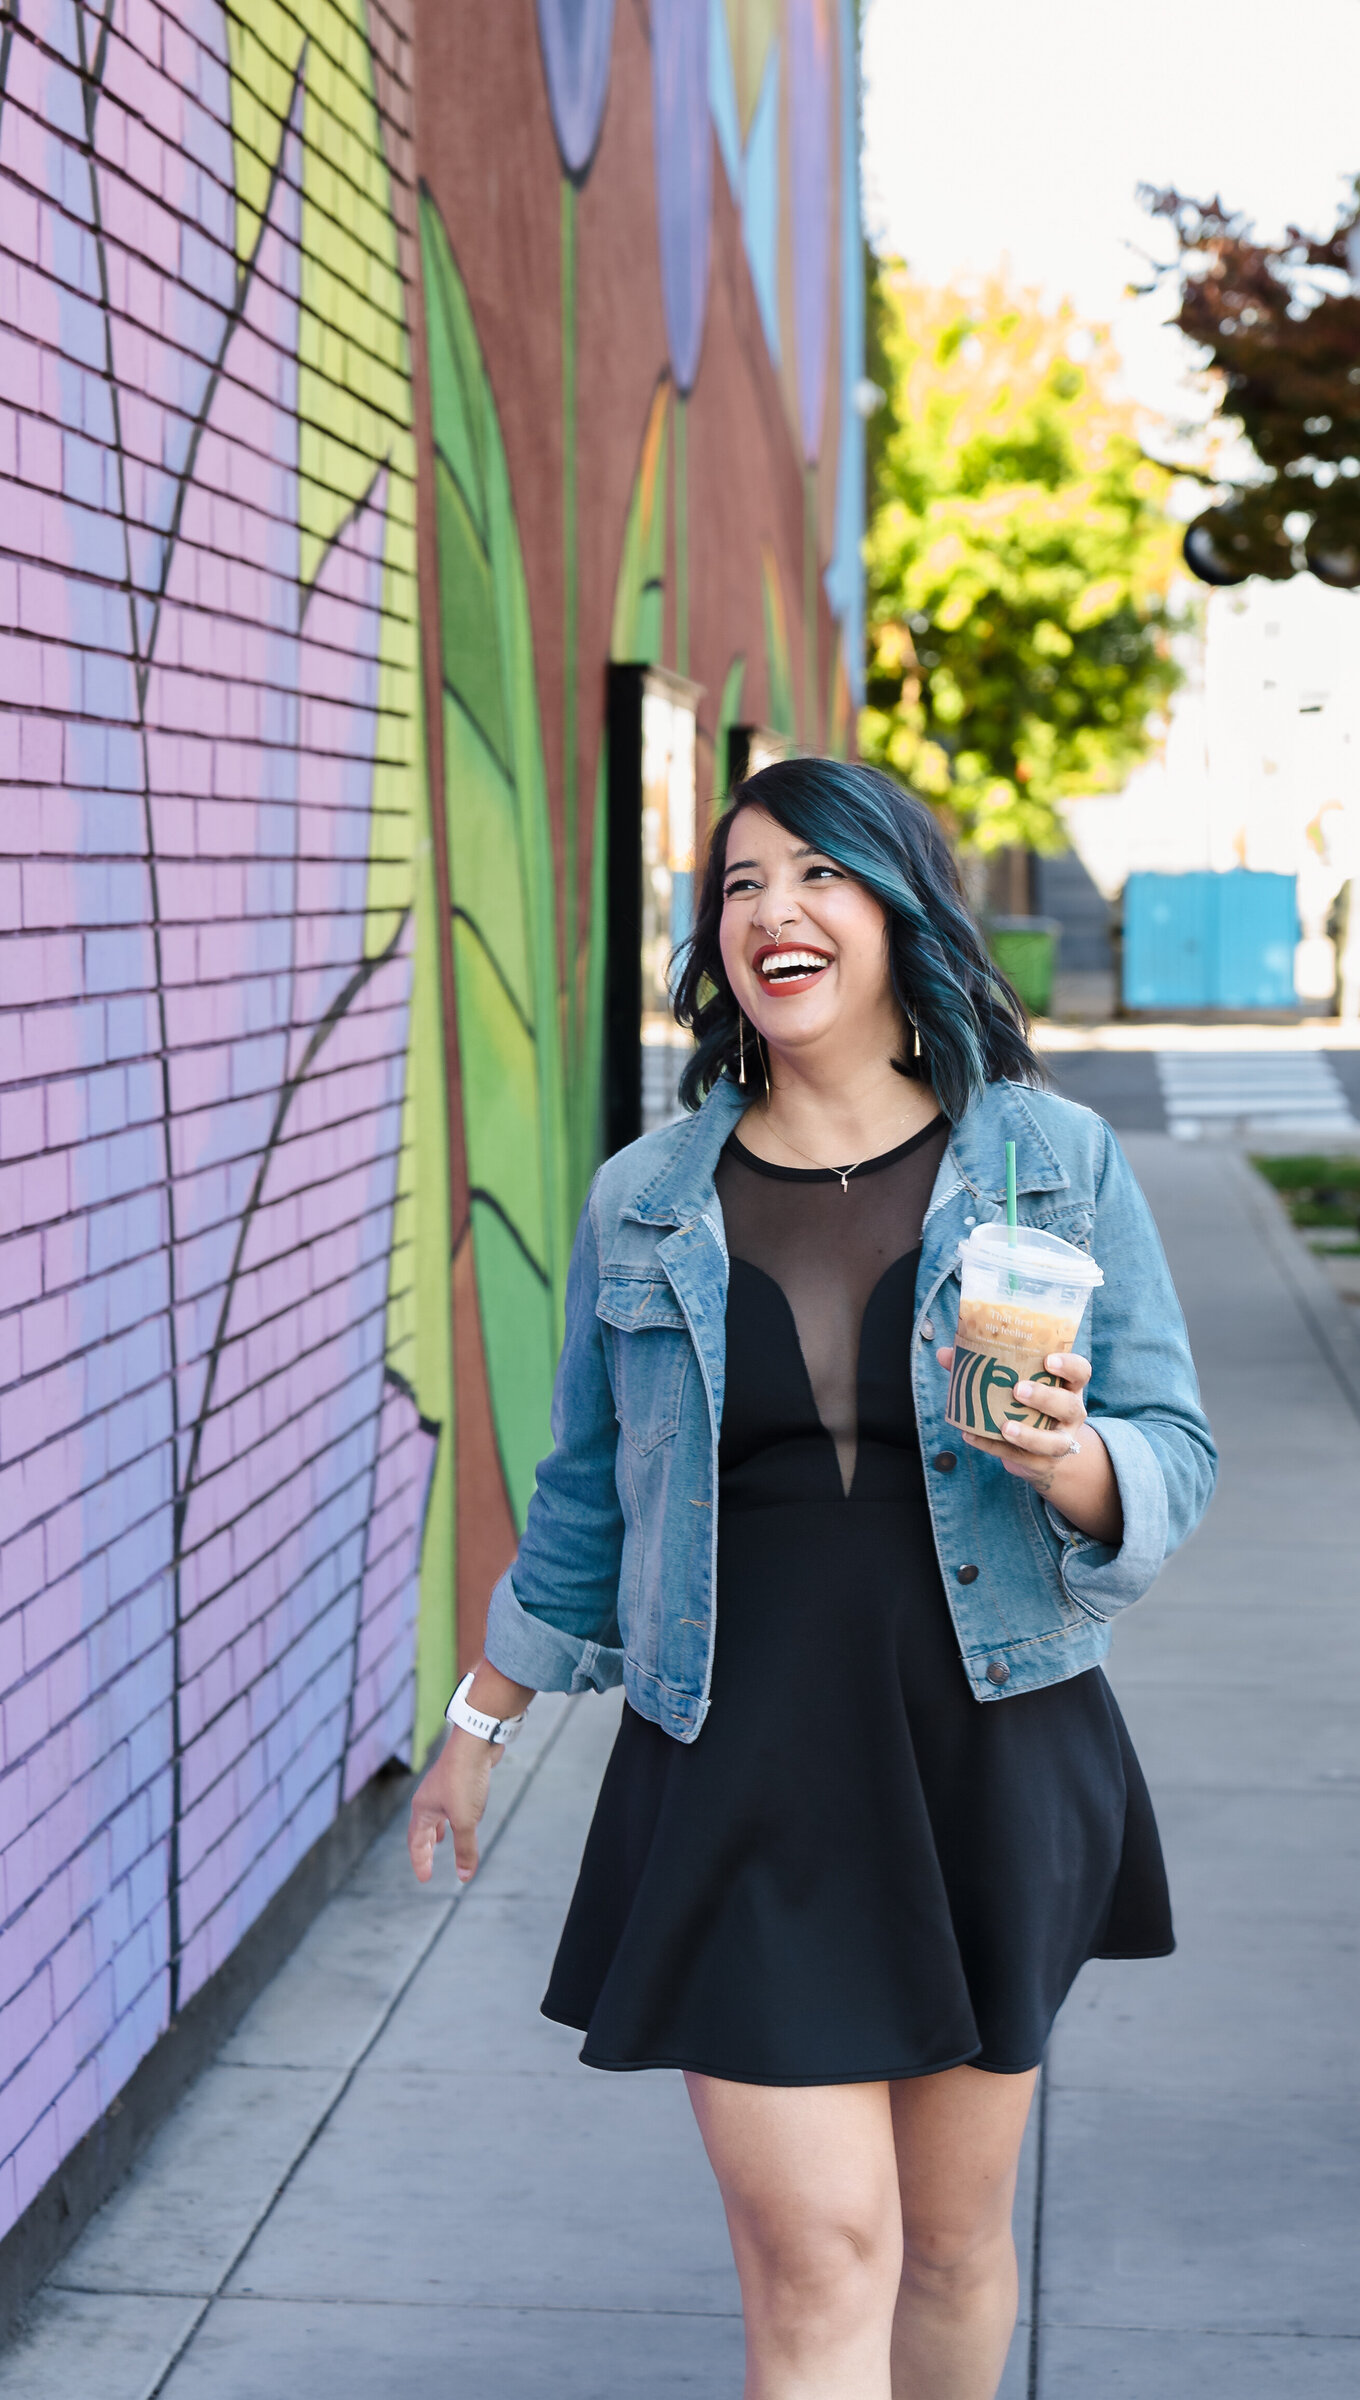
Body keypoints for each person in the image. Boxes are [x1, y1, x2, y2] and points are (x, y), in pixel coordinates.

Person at [408, 758, 1216, 2400]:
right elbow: (585, 1496)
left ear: (898, 906)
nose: (774, 911)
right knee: (818, 2257)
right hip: (741, 1765)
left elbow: (1176, 1445)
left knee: (953, 2242)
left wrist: (1074, 1466)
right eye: (741, 883)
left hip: (989, 1751)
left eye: (818, 875)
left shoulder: (1052, 1160)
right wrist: (479, 1722)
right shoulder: (648, 1198)